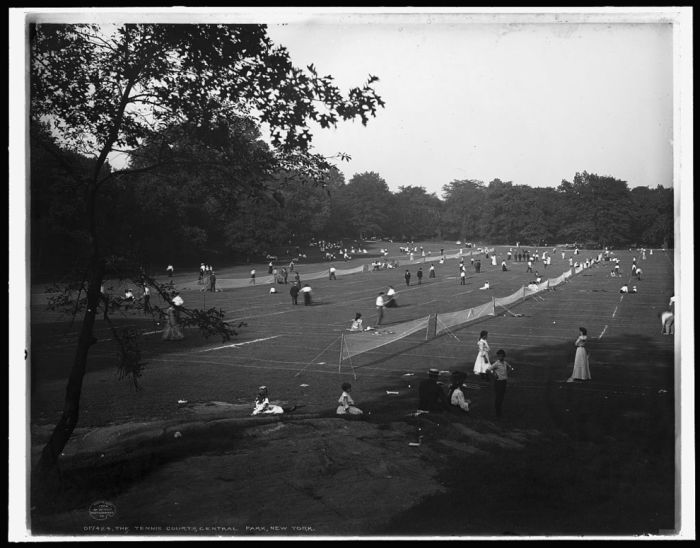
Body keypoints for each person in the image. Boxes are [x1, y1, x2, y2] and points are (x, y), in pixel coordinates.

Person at [486, 349, 514, 418]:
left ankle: (499, 411)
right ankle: (498, 413)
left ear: (504, 356)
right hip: (498, 382)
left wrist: (507, 373)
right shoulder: (496, 363)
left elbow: (510, 368)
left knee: (501, 397)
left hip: (504, 382)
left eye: (501, 356)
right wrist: (494, 375)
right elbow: (487, 370)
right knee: (498, 397)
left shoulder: (505, 363)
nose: (500, 357)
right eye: (499, 356)